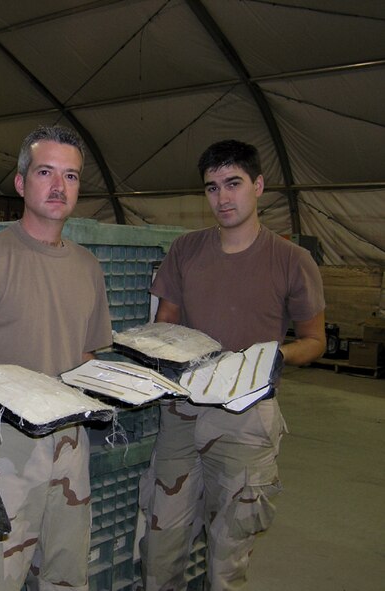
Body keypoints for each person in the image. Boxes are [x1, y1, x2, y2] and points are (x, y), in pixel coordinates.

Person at [139, 139, 326, 590]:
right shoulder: (185, 251)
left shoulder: (291, 260)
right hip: (182, 413)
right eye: (211, 188)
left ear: (258, 186)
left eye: (233, 184)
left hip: (247, 421)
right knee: (160, 547)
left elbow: (314, 339)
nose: (222, 198)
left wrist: (274, 357)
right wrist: (157, 350)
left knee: (228, 556)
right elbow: (165, 322)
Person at [0, 125, 113, 591]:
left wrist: (112, 388)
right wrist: (17, 399)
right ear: (21, 182)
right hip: (2, 444)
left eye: (71, 176)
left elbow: (83, 355)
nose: (59, 187)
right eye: (46, 172)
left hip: (69, 444)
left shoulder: (87, 268)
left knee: (66, 571)